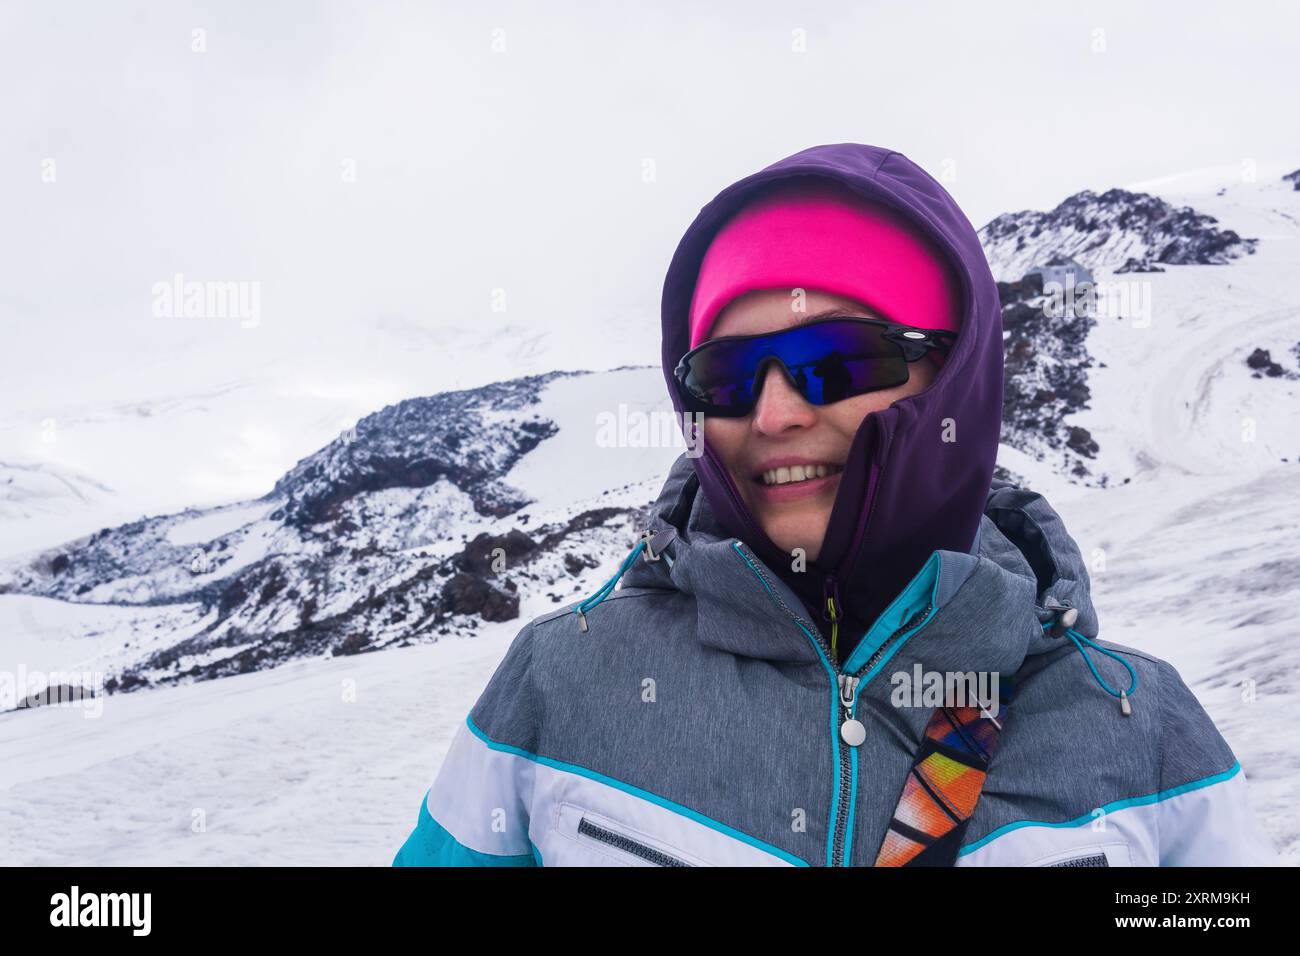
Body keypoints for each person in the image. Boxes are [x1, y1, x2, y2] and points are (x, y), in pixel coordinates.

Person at [392, 143, 1279, 867]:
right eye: (728, 378)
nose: (774, 415)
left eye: (838, 363)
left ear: (953, 384)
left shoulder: (1139, 727)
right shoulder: (565, 681)